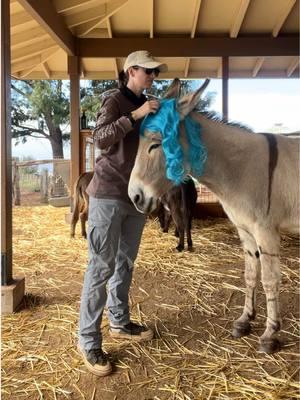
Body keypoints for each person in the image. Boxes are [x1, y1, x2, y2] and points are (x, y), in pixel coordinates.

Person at [78, 50, 168, 376]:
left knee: (125, 263)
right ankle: (88, 341)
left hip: (137, 197)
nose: (153, 77)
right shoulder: (114, 100)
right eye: (148, 72)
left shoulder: (151, 104)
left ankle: (119, 321)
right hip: (107, 195)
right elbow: (100, 139)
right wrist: (137, 114)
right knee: (100, 268)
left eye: (155, 73)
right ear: (131, 71)